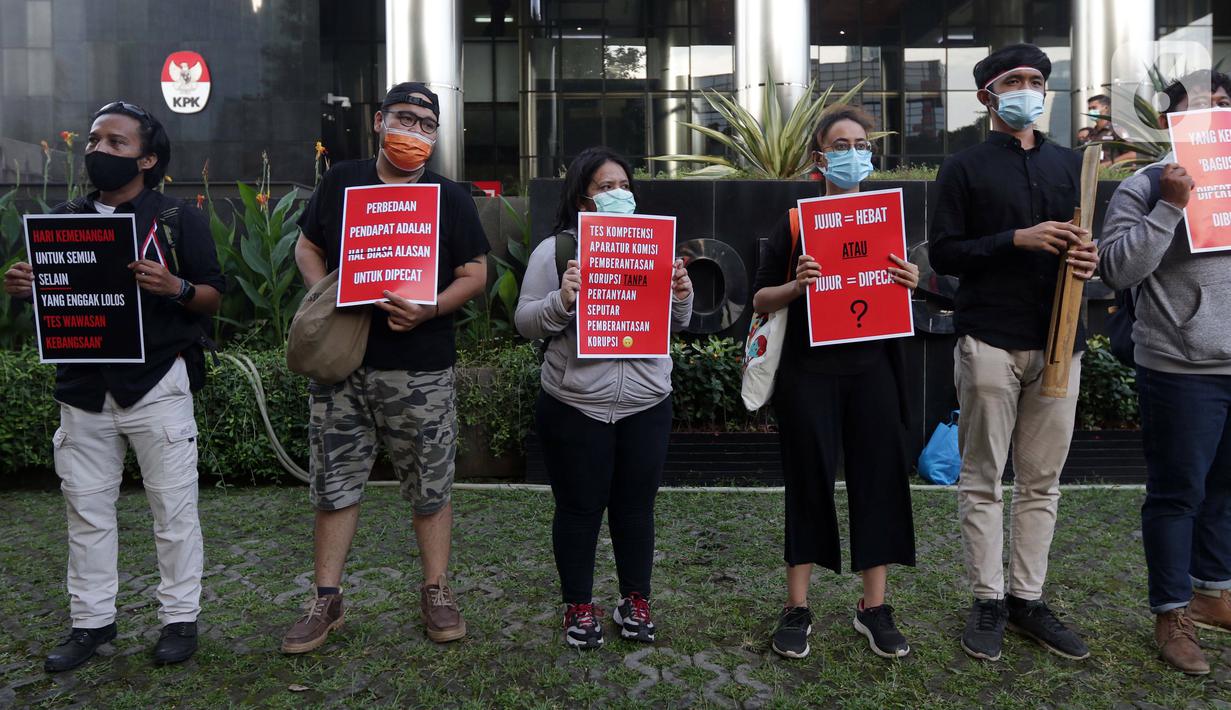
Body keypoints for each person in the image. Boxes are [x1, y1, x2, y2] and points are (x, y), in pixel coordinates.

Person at [4, 101, 223, 671]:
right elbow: (56, 300)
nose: (98, 149)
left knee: (174, 512)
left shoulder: (176, 219)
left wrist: (176, 287)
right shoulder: (62, 219)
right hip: (83, 389)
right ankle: (91, 623)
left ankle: (180, 619)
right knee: (86, 513)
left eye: (116, 142)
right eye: (95, 140)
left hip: (157, 384)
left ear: (147, 159)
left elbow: (213, 295)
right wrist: (27, 287)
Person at [280, 82, 489, 653]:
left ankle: (436, 589)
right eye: (404, 118)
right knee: (334, 481)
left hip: (420, 367)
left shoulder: (450, 197)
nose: (413, 131)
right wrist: (327, 296)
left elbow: (475, 273)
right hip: (341, 363)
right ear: (379, 121)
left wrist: (431, 308)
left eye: (426, 124)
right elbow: (307, 246)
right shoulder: (342, 181)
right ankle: (326, 598)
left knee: (430, 483)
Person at [928, 43, 1099, 662]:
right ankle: (988, 599)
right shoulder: (963, 168)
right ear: (988, 96)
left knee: (1042, 482)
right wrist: (1014, 239)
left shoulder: (1073, 166)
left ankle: (1028, 598)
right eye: (1014, 81)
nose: (1028, 89)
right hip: (988, 339)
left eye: (1036, 80)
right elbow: (944, 253)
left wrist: (1091, 257)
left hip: (1059, 342)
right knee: (982, 478)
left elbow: (1091, 248)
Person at [752, 105, 919, 660]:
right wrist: (795, 286)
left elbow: (901, 289)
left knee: (880, 480)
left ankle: (874, 608)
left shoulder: (886, 218)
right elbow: (759, 298)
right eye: (840, 145)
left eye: (861, 144)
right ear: (819, 158)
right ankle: (797, 607)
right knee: (808, 481)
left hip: (875, 370)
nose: (853, 153)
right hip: (809, 373)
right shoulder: (796, 222)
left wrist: (911, 279)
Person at [514, 146, 693, 649]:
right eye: (606, 187)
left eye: (624, 186)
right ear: (582, 199)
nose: (619, 194)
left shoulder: (653, 246)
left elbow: (676, 324)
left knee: (636, 509)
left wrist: (681, 294)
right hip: (575, 404)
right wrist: (562, 300)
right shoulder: (556, 252)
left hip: (646, 402)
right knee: (578, 509)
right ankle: (578, 604)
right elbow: (525, 321)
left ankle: (636, 600)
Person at [1099, 69, 1231, 675]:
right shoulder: (1147, 184)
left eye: (1224, 104)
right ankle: (1172, 614)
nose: (1215, 112)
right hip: (1180, 365)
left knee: (1225, 487)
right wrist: (1171, 208)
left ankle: (1212, 593)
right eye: (1201, 104)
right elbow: (1116, 269)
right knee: (1178, 494)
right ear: (1171, 120)